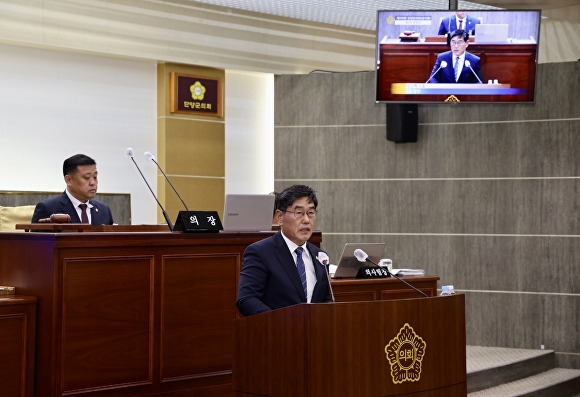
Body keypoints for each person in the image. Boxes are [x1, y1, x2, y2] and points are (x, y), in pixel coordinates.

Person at [236, 184, 331, 316]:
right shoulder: (260, 252)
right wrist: (279, 324)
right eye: (299, 213)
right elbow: (247, 300)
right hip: (277, 333)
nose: (306, 220)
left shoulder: (320, 256)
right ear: (280, 217)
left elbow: (324, 300)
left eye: (311, 213)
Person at [31, 154, 114, 225]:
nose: (93, 182)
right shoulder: (48, 208)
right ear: (68, 180)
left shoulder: (104, 210)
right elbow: (36, 243)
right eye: (87, 177)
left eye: (95, 177)